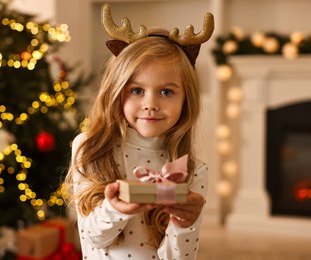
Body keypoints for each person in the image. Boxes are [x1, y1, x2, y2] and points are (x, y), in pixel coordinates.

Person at [65, 3, 214, 259]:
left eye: (166, 92)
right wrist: (116, 209)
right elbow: (92, 237)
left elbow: (181, 257)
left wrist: (184, 223)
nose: (151, 104)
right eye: (137, 90)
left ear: (185, 100)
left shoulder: (192, 170)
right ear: (116, 92)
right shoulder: (89, 148)